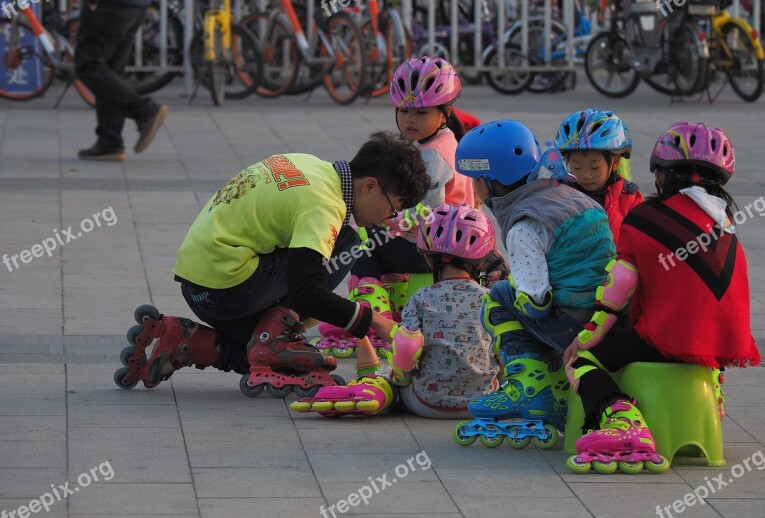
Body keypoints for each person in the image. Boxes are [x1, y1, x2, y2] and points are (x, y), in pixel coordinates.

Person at [114, 132, 432, 397]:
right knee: (349, 240)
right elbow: (306, 291)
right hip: (227, 286)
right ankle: (273, 336)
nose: (388, 221)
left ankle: (184, 341)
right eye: (393, 210)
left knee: (278, 363)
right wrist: (376, 323)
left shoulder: (310, 164)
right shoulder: (325, 206)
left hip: (201, 284)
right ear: (369, 185)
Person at [562, 122, 761, 474]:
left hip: (668, 339)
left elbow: (618, 288)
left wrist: (586, 337)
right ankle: (710, 400)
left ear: (661, 176)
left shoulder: (644, 217)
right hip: (724, 348)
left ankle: (624, 423)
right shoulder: (725, 221)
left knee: (583, 360)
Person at [453, 120, 616, 447]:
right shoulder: (569, 196)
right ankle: (556, 389)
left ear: (491, 181)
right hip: (605, 318)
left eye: (475, 181)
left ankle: (526, 388)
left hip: (574, 324)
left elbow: (536, 302)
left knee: (499, 298)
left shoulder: (524, 225)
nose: (473, 189)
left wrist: (517, 290)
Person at [315, 57, 479, 358]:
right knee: (372, 235)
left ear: (445, 113)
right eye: (404, 111)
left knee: (361, 246)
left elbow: (427, 215)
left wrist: (385, 220)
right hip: (445, 245)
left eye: (421, 112)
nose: (410, 120)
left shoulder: (433, 155)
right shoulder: (448, 141)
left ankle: (380, 325)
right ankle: (389, 309)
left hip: (435, 249)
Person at [290, 203, 500, 419]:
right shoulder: (492, 297)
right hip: (483, 402)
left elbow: (406, 346)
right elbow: (505, 347)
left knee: (390, 380)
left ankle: (375, 389)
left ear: (428, 258)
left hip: (426, 402)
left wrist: (400, 379)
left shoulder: (421, 298)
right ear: (483, 261)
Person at [75, 0, 169, 161]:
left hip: (110, 6)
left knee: (88, 65)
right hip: (136, 7)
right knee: (112, 70)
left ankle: (145, 111)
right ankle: (109, 142)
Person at [554, 109, 644, 244]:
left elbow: (641, 244)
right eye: (577, 167)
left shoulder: (629, 198)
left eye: (595, 167)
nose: (586, 175)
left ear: (614, 162)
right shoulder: (557, 196)